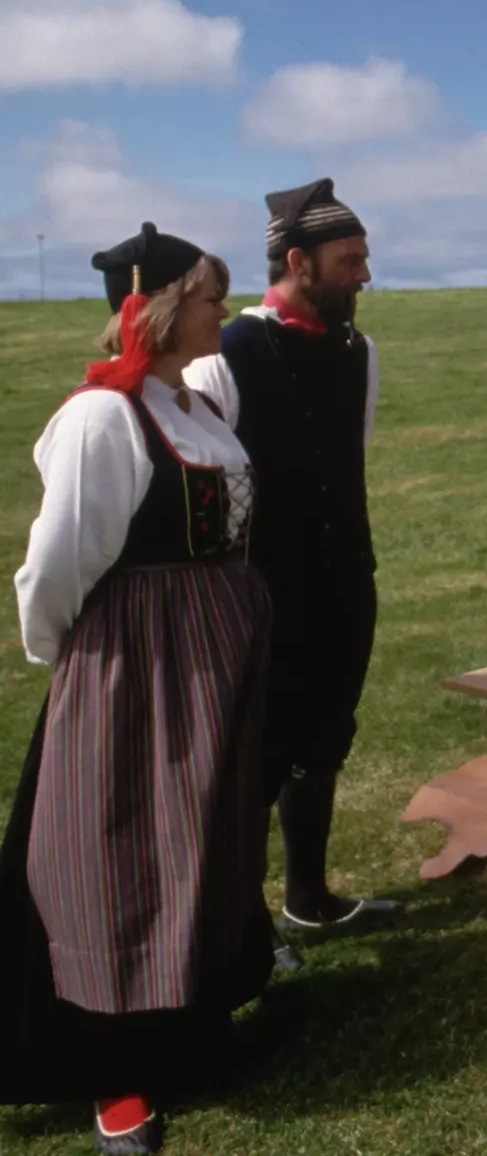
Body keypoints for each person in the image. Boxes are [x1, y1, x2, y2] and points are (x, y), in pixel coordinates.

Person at [3, 225, 275, 1154]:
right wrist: (71, 668)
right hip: (140, 662)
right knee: (120, 853)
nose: (220, 311)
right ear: (152, 307)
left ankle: (191, 1030)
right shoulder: (102, 419)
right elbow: (57, 565)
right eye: (206, 295)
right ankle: (113, 1074)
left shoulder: (193, 403)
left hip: (214, 651)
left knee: (203, 833)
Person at [185, 179, 393, 933]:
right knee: (256, 756)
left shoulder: (358, 353)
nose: (365, 274)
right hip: (261, 594)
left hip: (342, 583)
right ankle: (235, 933)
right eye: (351, 260)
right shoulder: (224, 356)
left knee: (326, 735)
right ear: (298, 263)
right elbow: (211, 491)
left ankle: (309, 900)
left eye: (365, 258)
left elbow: (347, 460)